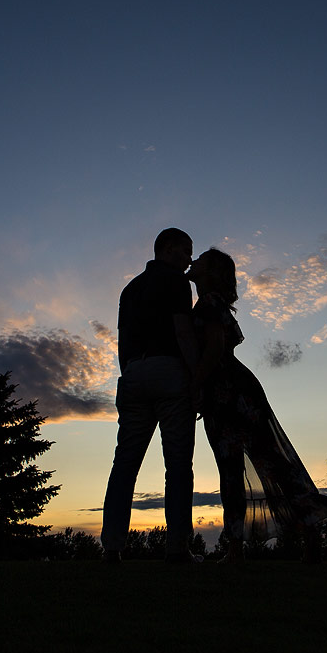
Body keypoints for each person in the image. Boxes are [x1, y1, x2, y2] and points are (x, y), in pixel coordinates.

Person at [187, 248, 327, 563]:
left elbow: (216, 347)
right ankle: (300, 540)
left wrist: (195, 386)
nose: (193, 262)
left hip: (230, 395)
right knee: (264, 463)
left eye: (201, 260)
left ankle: (240, 550)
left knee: (242, 468)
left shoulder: (207, 304)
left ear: (211, 272)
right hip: (234, 392)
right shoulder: (209, 304)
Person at [101, 228, 200, 563]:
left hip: (133, 373)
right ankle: (177, 547)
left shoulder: (130, 289)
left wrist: (129, 372)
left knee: (125, 462)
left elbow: (122, 343)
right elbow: (183, 331)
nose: (189, 259)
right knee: (177, 464)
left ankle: (112, 547)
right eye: (186, 251)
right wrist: (196, 377)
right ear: (168, 249)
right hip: (169, 370)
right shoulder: (176, 283)